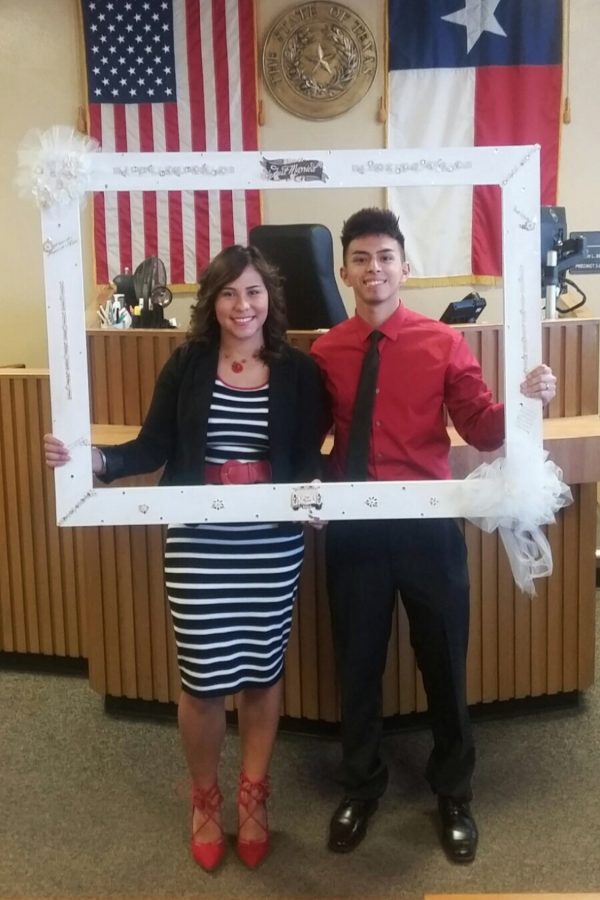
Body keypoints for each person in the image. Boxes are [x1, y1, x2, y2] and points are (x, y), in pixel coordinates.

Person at [45, 244, 325, 872]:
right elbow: (152, 446)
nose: (242, 305)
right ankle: (204, 799)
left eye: (253, 292)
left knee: (260, 671)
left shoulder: (298, 370)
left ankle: (253, 797)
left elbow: (308, 457)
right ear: (212, 302)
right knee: (203, 682)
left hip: (272, 542)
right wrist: (98, 460)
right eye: (228, 293)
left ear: (270, 298)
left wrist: (316, 496)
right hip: (199, 539)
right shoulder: (188, 363)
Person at [310, 208, 557, 863]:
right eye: (360, 258)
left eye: (385, 256)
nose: (374, 269)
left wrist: (528, 402)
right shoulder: (325, 349)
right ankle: (361, 786)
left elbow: (480, 427)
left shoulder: (442, 343)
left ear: (405, 267)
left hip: (428, 526)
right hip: (355, 531)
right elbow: (311, 438)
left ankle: (454, 792)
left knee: (445, 665)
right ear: (344, 270)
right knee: (357, 666)